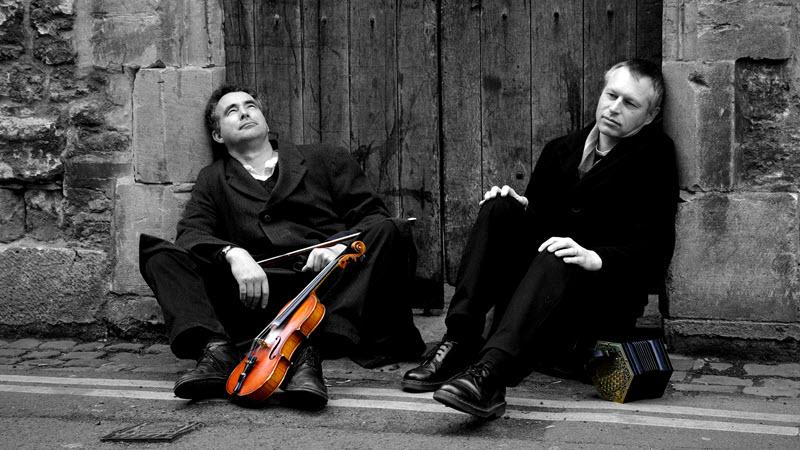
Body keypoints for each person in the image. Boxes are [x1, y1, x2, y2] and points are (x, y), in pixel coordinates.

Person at [401, 59, 678, 419]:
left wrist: (596, 257)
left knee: (560, 252)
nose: (614, 108)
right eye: (611, 95)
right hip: (538, 294)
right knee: (499, 207)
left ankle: (490, 376)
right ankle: (459, 343)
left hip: (594, 302)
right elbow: (539, 228)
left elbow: (656, 249)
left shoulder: (654, 157)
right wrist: (520, 207)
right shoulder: (560, 148)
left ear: (651, 115)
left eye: (630, 103)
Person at [139, 85, 424, 408]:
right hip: (258, 295)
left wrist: (336, 248)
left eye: (251, 106)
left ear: (263, 118)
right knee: (158, 253)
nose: (245, 112)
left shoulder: (325, 158)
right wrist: (234, 255)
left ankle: (308, 349)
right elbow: (191, 234)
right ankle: (216, 351)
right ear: (218, 136)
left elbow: (374, 217)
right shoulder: (213, 178)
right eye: (231, 111)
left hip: (328, 290)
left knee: (392, 230)